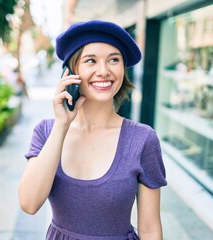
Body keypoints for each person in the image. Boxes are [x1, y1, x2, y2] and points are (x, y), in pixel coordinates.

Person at [18, 19, 167, 240]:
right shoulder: (47, 131)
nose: (104, 71)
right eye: (91, 60)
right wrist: (62, 125)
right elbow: (29, 203)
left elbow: (150, 228)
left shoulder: (143, 139)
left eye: (114, 60)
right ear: (71, 71)